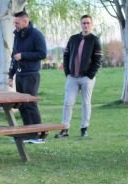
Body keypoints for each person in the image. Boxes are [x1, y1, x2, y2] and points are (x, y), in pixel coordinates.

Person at [54, 15, 102, 138]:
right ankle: (64, 129)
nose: (85, 25)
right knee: (68, 103)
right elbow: (66, 56)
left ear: (91, 24)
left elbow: (98, 60)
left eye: (88, 23)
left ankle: (84, 128)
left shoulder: (95, 40)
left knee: (86, 103)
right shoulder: (73, 39)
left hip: (87, 78)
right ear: (80, 24)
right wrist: (67, 72)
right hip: (72, 78)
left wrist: (90, 75)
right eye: (83, 23)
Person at [7, 10, 47, 143]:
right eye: (14, 22)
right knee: (22, 105)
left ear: (25, 21)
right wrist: (11, 75)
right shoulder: (17, 35)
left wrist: (24, 55)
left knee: (30, 104)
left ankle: (37, 134)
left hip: (31, 75)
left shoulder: (36, 35)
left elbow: (42, 53)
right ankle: (27, 133)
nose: (15, 25)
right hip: (20, 75)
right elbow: (14, 55)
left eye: (17, 22)